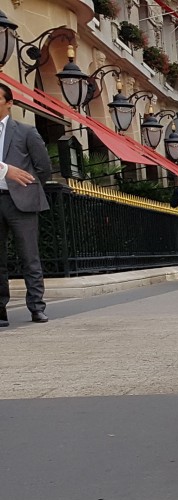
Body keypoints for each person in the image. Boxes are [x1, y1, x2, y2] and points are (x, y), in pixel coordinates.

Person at [0, 83, 55, 326]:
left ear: (9, 103)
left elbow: (43, 167)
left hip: (21, 201)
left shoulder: (26, 132)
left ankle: (36, 307)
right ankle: (1, 310)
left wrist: (28, 187)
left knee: (29, 256)